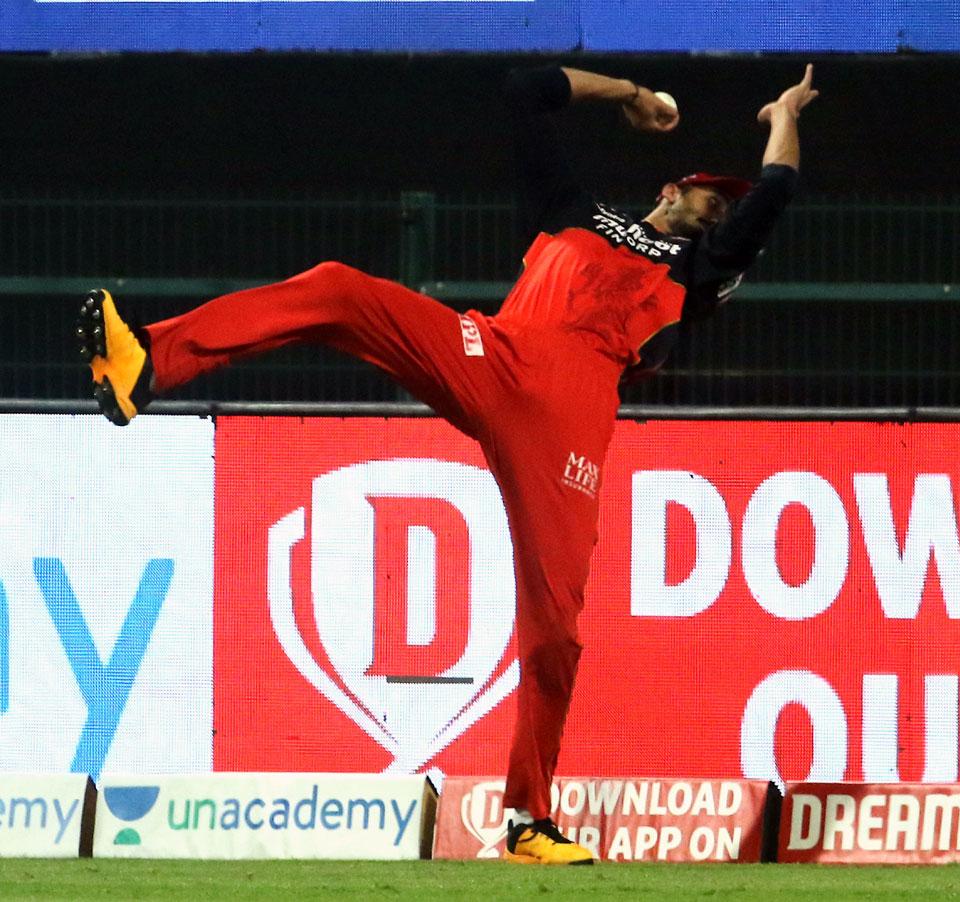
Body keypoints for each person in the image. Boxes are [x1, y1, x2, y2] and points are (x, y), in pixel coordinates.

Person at [77, 63, 818, 865]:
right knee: (338, 289)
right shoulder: (575, 212)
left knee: (555, 633)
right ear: (673, 188)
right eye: (715, 197)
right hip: (496, 355)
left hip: (569, 422)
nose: (724, 212)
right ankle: (146, 361)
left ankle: (529, 823)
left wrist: (785, 113)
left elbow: (775, 189)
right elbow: (524, 93)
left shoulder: (696, 271)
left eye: (727, 210)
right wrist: (629, 93)